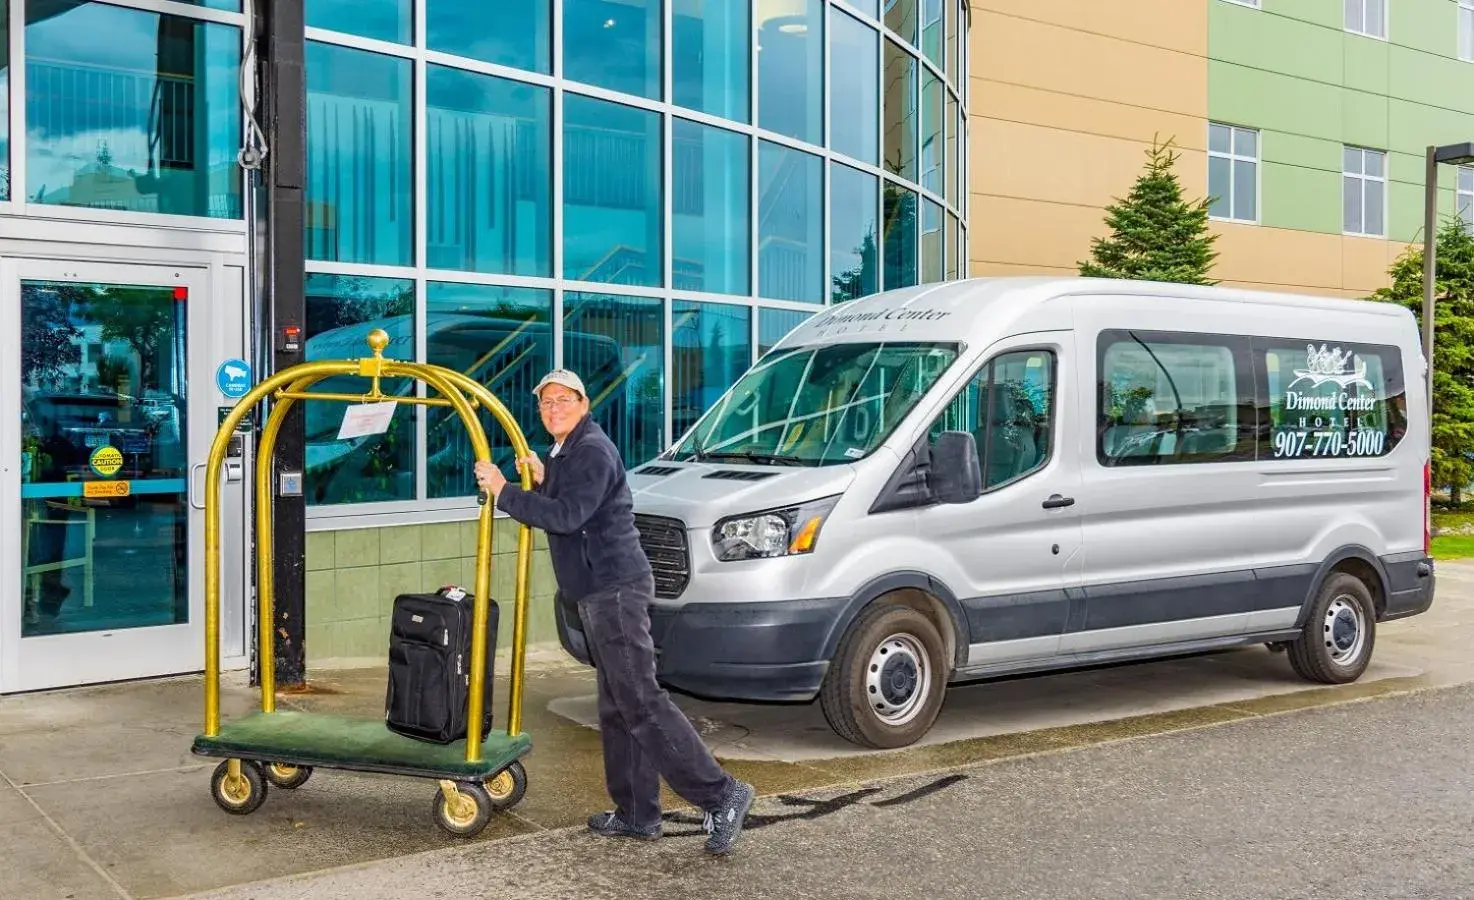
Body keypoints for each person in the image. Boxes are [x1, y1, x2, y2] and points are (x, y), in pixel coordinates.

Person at [474, 369, 755, 855]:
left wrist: (505, 491)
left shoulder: (592, 450)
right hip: (598, 593)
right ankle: (637, 814)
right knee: (619, 707)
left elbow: (567, 517)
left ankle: (722, 794)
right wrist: (544, 477)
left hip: (616, 591)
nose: (553, 408)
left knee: (641, 702)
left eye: (563, 400)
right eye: (546, 402)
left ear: (584, 404)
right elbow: (577, 503)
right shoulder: (567, 452)